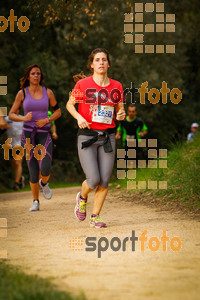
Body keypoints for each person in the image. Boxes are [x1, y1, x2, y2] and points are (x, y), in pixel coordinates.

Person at [66, 48, 125, 228]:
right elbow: (70, 104)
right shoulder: (82, 85)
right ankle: (82, 197)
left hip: (108, 137)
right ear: (92, 64)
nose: (101, 63)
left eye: (104, 60)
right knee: (93, 179)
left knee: (105, 180)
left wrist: (121, 114)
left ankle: (95, 216)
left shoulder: (117, 86)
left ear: (108, 64)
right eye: (97, 60)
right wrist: (79, 117)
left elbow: (119, 109)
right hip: (87, 137)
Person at [9, 64, 61, 211]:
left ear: (41, 76)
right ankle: (35, 201)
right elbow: (12, 114)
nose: (36, 76)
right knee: (32, 168)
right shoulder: (22, 94)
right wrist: (24, 118)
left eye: (38, 73)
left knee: (45, 167)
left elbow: (58, 112)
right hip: (28, 135)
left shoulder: (48, 92)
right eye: (33, 73)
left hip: (44, 133)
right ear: (28, 76)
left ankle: (44, 183)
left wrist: (47, 120)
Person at [5, 108, 25, 190]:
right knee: (14, 163)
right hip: (10, 144)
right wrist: (5, 126)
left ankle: (16, 183)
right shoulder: (7, 118)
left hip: (20, 144)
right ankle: (20, 178)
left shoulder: (23, 118)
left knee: (17, 163)